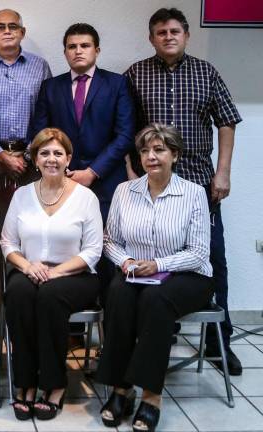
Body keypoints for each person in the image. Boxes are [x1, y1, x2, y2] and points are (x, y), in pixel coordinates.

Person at [124, 7, 243, 375]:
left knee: (213, 259)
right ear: (151, 38)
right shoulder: (136, 74)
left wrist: (223, 172)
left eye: (174, 31)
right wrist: (130, 173)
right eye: (161, 32)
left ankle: (219, 343)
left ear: (186, 35)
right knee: (154, 253)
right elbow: (125, 127)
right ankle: (162, 328)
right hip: (152, 184)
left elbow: (227, 121)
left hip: (199, 183)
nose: (168, 37)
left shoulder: (206, 72)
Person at [96, 123, 213, 432]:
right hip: (136, 272)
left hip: (187, 275)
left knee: (155, 299)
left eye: (159, 150)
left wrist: (158, 263)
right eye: (145, 151)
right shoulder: (125, 191)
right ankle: (122, 389)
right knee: (117, 294)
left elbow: (199, 253)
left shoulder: (193, 193)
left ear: (175, 155)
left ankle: (151, 395)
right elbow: (110, 241)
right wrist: (127, 262)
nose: (151, 156)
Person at [0, 127, 103, 421]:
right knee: (17, 293)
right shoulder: (22, 195)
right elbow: (7, 242)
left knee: (49, 295)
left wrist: (57, 272)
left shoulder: (85, 198)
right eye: (44, 153)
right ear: (35, 159)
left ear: (68, 158)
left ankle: (54, 384)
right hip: (30, 269)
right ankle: (26, 382)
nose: (51, 159)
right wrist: (27, 266)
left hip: (76, 274)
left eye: (58, 153)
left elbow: (93, 251)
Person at [29, 23, 134, 222]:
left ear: (97, 50)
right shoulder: (50, 87)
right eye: (72, 46)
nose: (78, 51)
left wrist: (93, 172)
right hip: (61, 180)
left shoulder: (117, 84)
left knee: (105, 237)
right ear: (65, 52)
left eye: (85, 45)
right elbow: (40, 135)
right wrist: (60, 168)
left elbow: (125, 135)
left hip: (107, 180)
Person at [0, 8, 52, 225]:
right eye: (1, 27)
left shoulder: (40, 66)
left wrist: (27, 154)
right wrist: (1, 155)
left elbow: (47, 113)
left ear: (22, 32)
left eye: (13, 26)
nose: (7, 31)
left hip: (31, 160)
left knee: (31, 223)